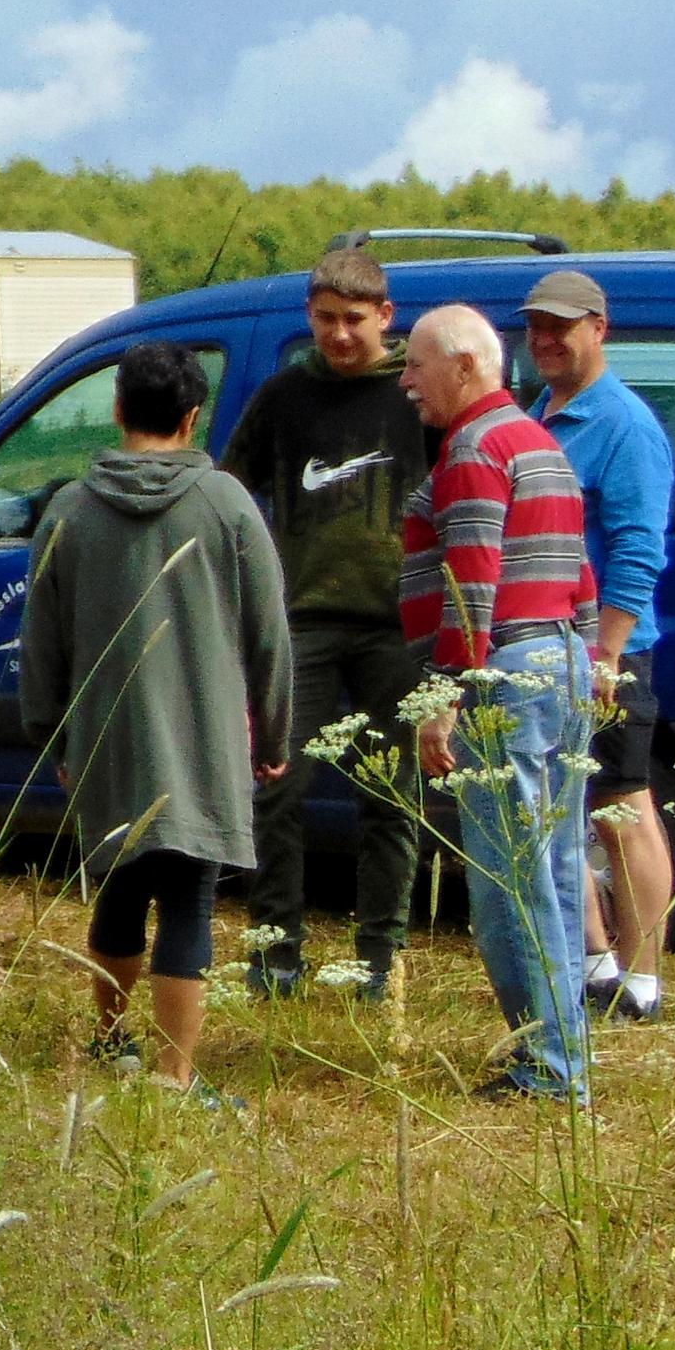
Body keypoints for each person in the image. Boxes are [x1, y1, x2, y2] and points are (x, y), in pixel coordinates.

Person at [16, 341, 291, 1098]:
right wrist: (272, 734)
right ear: (194, 416)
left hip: (104, 737)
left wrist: (55, 735)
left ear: (117, 409)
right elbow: (270, 634)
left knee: (120, 887)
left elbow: (39, 643)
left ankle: (111, 1041)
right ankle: (176, 1075)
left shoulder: (68, 509)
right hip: (203, 738)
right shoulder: (229, 504)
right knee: (188, 896)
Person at [218, 244, 434, 1002]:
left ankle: (383, 964)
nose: (338, 336)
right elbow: (229, 496)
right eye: (324, 320)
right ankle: (275, 955)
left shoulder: (417, 396)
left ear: (385, 316)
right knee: (276, 791)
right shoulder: (284, 396)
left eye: (352, 321)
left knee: (390, 797)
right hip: (301, 624)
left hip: (397, 629)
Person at [397, 303, 598, 1106]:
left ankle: (548, 1067)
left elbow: (469, 582)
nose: (405, 382)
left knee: (508, 879)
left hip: (506, 670)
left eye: (416, 365)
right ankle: (566, 1045)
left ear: (467, 366)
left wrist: (443, 696)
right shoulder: (542, 443)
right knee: (553, 866)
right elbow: (580, 568)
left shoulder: (476, 448)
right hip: (562, 658)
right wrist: (591, 659)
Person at [528, 268, 675, 1024]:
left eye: (562, 326)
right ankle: (593, 961)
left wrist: (608, 655)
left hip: (606, 654)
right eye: (536, 328)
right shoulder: (541, 412)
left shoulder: (624, 425)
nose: (546, 340)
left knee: (622, 806)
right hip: (545, 646)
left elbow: (638, 552)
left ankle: (643, 979)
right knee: (560, 806)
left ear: (599, 328)